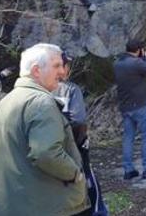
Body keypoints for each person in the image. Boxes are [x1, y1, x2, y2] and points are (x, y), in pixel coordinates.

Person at [0, 43, 87, 216]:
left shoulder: (7, 102)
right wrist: (75, 173)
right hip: (41, 207)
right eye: (57, 66)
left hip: (11, 206)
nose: (62, 72)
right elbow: (46, 153)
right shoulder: (41, 103)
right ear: (37, 70)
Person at [54, 53, 107, 216]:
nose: (68, 69)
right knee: (90, 189)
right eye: (66, 65)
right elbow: (79, 121)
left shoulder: (36, 91)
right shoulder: (70, 89)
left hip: (49, 153)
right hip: (73, 150)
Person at [113, 39, 146, 180]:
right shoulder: (135, 63)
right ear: (139, 50)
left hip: (125, 106)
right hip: (140, 105)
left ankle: (128, 169)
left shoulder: (117, 63)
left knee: (128, 138)